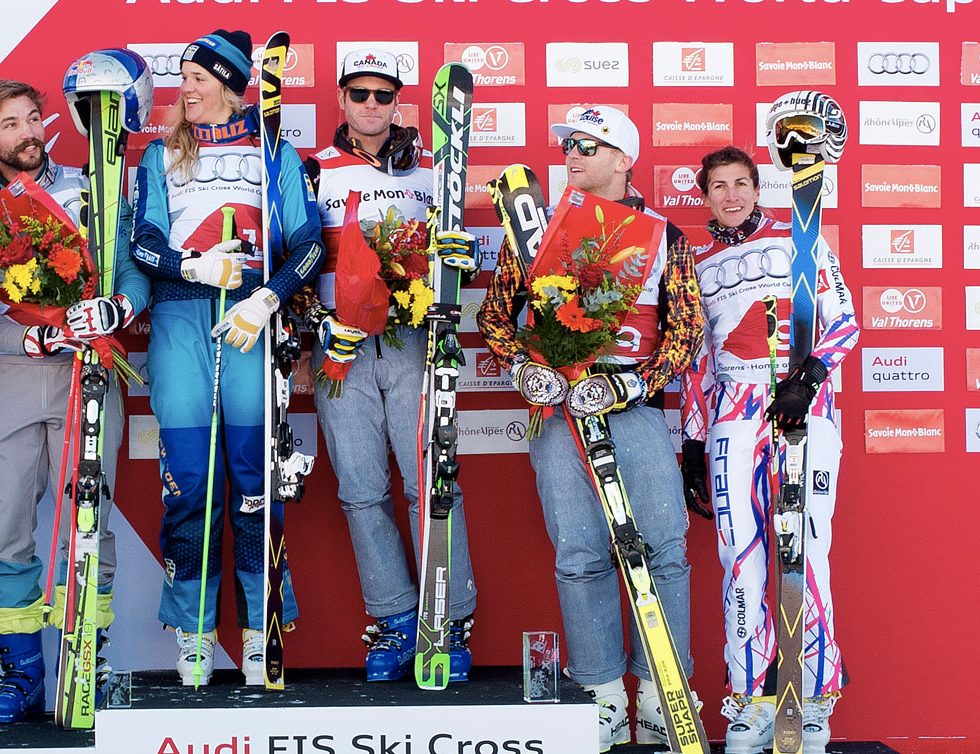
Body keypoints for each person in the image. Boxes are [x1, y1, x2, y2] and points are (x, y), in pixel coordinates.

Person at [477, 105, 705, 751]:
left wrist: (633, 383)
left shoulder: (663, 235)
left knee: (663, 550)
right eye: (568, 145)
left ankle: (665, 695)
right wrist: (527, 371)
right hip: (558, 412)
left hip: (630, 408)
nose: (571, 154)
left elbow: (687, 331)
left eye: (587, 145)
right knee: (579, 555)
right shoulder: (542, 232)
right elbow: (497, 316)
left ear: (623, 158)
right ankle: (600, 697)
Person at [130, 29, 324, 685]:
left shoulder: (274, 154)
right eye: (181, 76)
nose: (185, 87)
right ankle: (192, 634)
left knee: (253, 489)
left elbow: (308, 243)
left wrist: (265, 299)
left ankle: (259, 632)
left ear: (234, 84)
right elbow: (144, 245)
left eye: (199, 77)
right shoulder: (159, 158)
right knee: (190, 488)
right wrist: (192, 264)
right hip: (183, 323)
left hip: (248, 327)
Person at [0, 78, 149, 722]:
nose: (27, 132)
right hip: (13, 371)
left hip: (89, 366)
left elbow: (128, 269)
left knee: (88, 515)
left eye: (33, 119)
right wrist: (31, 331)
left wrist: (119, 305)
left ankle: (83, 658)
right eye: (10, 124)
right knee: (7, 520)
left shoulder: (92, 184)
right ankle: (21, 670)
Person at [298, 49, 479, 683]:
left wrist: (457, 255)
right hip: (339, 342)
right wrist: (315, 326)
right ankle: (398, 621)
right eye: (359, 95)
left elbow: (462, 255)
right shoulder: (310, 168)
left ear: (398, 102)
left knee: (430, 482)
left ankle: (448, 621)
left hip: (410, 338)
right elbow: (293, 252)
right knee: (360, 488)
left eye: (383, 96)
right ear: (341, 101)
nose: (371, 106)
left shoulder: (434, 167)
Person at [681, 146, 857, 754]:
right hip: (734, 409)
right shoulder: (696, 262)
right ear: (704, 196)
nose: (729, 196)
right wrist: (692, 441)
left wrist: (807, 377)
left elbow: (845, 321)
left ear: (758, 189)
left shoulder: (799, 240)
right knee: (741, 561)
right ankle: (751, 707)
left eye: (740, 184)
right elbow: (697, 360)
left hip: (802, 406)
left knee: (806, 555)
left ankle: (813, 703)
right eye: (717, 187)